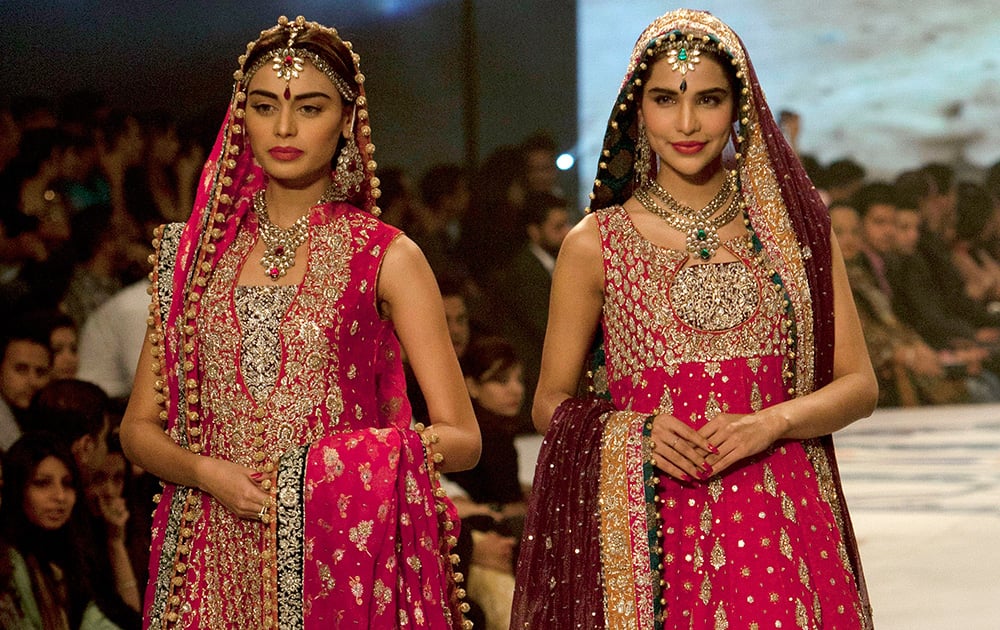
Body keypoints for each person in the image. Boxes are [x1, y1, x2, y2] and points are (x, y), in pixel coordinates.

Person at [512, 10, 876, 629]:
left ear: (740, 108)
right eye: (664, 100)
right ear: (636, 110)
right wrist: (632, 433)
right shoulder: (593, 242)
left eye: (708, 99)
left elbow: (859, 384)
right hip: (652, 521)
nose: (686, 123)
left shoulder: (798, 231)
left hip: (785, 516)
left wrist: (773, 422)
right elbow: (550, 400)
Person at [119, 15, 480, 629]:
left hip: (338, 552)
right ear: (242, 118)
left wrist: (317, 472)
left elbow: (464, 438)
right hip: (206, 559)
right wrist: (208, 472)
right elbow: (138, 430)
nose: (283, 128)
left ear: (346, 121)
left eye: (309, 109)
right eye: (264, 106)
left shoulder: (386, 255)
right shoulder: (192, 256)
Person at [0, 432, 123, 628]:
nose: (60, 496)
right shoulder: (7, 562)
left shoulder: (68, 556)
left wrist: (116, 540)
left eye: (67, 484)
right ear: (17, 489)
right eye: (42, 483)